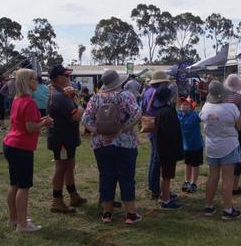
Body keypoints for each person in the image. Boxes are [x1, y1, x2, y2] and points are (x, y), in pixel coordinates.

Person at [82, 70, 143, 225]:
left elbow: (85, 119)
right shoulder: (126, 95)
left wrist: (100, 133)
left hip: (101, 145)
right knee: (127, 177)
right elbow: (137, 114)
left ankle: (107, 213)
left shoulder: (96, 98)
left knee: (106, 177)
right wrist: (122, 129)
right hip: (125, 143)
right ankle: (130, 214)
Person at [3, 69, 54, 233]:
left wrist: (39, 121)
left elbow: (24, 122)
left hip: (10, 144)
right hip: (21, 147)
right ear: (27, 81)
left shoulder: (17, 99)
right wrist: (44, 124)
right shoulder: (29, 102)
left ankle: (14, 218)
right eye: (34, 79)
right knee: (24, 186)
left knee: (14, 184)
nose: (37, 81)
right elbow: (30, 127)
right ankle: (23, 225)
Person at [200, 81, 241, 220]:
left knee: (212, 176)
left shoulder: (206, 107)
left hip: (212, 145)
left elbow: (202, 119)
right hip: (228, 146)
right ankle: (227, 209)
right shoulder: (231, 107)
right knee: (228, 179)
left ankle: (208, 206)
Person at [47, 64, 86, 214]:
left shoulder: (59, 93)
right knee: (61, 168)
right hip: (62, 138)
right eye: (67, 76)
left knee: (69, 165)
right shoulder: (58, 96)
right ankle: (57, 200)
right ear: (57, 78)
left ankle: (73, 195)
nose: (70, 79)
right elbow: (77, 115)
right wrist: (78, 101)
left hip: (65, 136)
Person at [141, 71, 171, 199]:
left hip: (150, 125)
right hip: (158, 127)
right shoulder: (157, 92)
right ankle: (155, 189)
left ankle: (154, 187)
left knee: (154, 157)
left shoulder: (148, 91)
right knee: (157, 159)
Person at [153, 86, 184, 209]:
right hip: (168, 149)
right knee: (166, 176)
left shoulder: (161, 111)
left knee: (165, 174)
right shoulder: (167, 112)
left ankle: (164, 195)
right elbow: (169, 133)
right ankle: (166, 200)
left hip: (163, 148)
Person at [223, 74, 241, 195]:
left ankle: (226, 183)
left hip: (225, 130)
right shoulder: (239, 98)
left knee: (228, 157)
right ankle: (235, 186)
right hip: (238, 130)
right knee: (239, 157)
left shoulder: (222, 97)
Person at [178, 97, 203, 193]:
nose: (183, 106)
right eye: (182, 104)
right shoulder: (178, 115)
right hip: (185, 146)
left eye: (186, 104)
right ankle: (186, 181)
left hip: (196, 145)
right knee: (187, 164)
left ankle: (193, 183)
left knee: (195, 165)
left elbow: (203, 115)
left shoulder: (195, 116)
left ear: (191, 107)